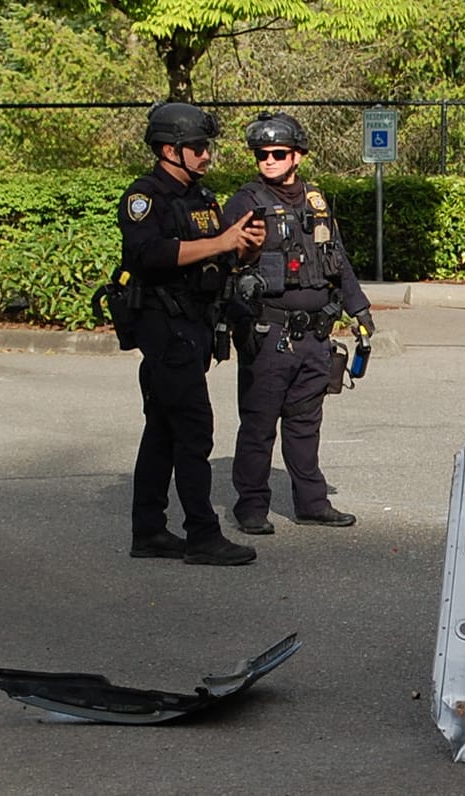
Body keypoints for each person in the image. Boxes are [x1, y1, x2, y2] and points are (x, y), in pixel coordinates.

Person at [116, 101, 266, 565]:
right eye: (197, 148)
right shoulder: (145, 197)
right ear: (168, 149)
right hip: (165, 328)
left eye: (205, 147)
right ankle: (202, 534)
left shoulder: (201, 199)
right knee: (195, 432)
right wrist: (221, 242)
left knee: (162, 431)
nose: (205, 155)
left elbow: (218, 255)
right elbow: (147, 256)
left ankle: (149, 531)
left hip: (194, 325)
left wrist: (242, 248)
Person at [222, 111, 375, 535]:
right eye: (261, 154)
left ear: (297, 156)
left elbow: (337, 260)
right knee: (258, 424)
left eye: (277, 153)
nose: (268, 161)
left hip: (315, 335)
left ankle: (311, 503)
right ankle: (251, 507)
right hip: (269, 334)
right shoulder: (245, 202)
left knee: (306, 424)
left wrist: (358, 310)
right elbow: (224, 260)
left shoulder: (316, 202)